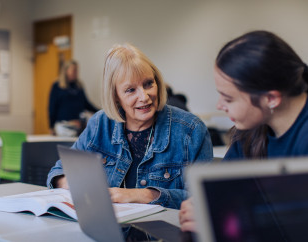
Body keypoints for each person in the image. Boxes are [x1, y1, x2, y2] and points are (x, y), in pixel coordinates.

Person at [47, 43, 213, 209]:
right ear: (115, 96)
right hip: (108, 229)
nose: (144, 97)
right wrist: (67, 182)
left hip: (163, 233)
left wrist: (144, 195)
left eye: (148, 83)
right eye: (130, 90)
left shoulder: (191, 130)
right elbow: (58, 171)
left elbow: (204, 198)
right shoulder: (99, 124)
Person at [179, 30, 308, 231]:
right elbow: (221, 191)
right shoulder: (251, 131)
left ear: (271, 98)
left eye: (228, 98)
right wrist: (205, 207)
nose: (220, 105)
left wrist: (224, 215)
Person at [48, 60, 99, 136]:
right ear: (66, 70)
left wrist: (100, 111)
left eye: (77, 70)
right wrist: (51, 126)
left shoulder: (79, 86)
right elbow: (52, 107)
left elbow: (86, 103)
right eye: (74, 70)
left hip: (78, 125)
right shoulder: (57, 86)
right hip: (63, 125)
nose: (76, 72)